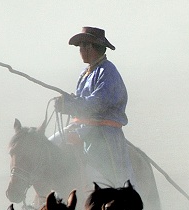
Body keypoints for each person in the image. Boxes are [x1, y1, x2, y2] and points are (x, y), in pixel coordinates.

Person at [52, 26, 134, 188]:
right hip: (81, 127)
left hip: (102, 133)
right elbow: (82, 100)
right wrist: (67, 101)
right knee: (48, 148)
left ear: (91, 48)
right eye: (80, 47)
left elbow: (98, 103)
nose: (80, 50)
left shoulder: (108, 71)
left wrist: (70, 105)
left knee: (106, 178)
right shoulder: (86, 72)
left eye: (82, 46)